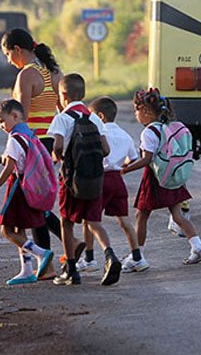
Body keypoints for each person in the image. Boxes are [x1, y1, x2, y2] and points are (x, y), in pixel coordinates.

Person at [1, 28, 84, 279]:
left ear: (17, 49)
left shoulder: (26, 75)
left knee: (33, 202)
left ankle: (46, 264)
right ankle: (53, 257)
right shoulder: (54, 72)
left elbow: (20, 118)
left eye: (7, 54)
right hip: (50, 144)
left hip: (31, 145)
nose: (8, 60)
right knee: (37, 200)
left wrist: (12, 150)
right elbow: (63, 110)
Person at [121, 88, 201, 266]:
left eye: (136, 110)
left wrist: (126, 169)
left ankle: (137, 256)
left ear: (145, 111)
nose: (136, 115)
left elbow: (147, 159)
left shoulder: (148, 132)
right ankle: (197, 245)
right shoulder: (168, 127)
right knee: (177, 215)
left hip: (155, 179)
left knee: (141, 215)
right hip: (172, 174)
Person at [47, 73, 121, 286]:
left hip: (72, 179)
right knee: (94, 222)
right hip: (94, 178)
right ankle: (110, 256)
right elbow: (106, 150)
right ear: (84, 94)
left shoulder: (61, 118)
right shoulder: (95, 118)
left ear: (63, 95)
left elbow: (58, 147)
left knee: (67, 222)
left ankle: (71, 270)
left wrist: (57, 157)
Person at [74, 96, 149, 273]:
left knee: (89, 219)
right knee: (124, 221)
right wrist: (120, 165)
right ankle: (138, 257)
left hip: (99, 179)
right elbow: (133, 159)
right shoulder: (124, 135)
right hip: (117, 180)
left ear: (100, 116)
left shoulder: (99, 133)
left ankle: (90, 259)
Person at [0, 99, 54, 285]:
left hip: (17, 186)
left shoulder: (14, 138)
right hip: (28, 186)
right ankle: (26, 270)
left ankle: (41, 253)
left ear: (14, 116)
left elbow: (9, 168)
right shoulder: (30, 134)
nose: (1, 126)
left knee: (6, 231)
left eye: (2, 121)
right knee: (19, 228)